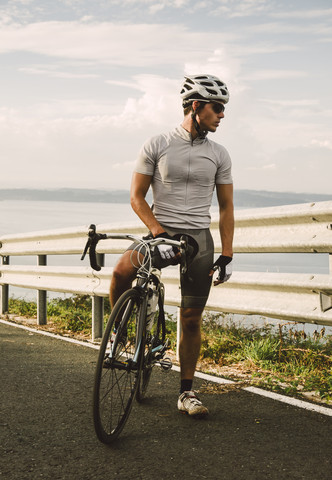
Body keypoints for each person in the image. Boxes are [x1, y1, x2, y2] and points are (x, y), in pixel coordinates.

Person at [110, 74, 234, 417]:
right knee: (121, 271)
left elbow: (225, 208)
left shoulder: (219, 153)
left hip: (198, 240)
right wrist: (158, 232)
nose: (222, 115)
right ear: (196, 107)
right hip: (160, 231)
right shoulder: (157, 144)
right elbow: (136, 197)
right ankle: (119, 335)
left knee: (191, 317)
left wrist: (227, 253)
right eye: (217, 108)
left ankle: (186, 393)